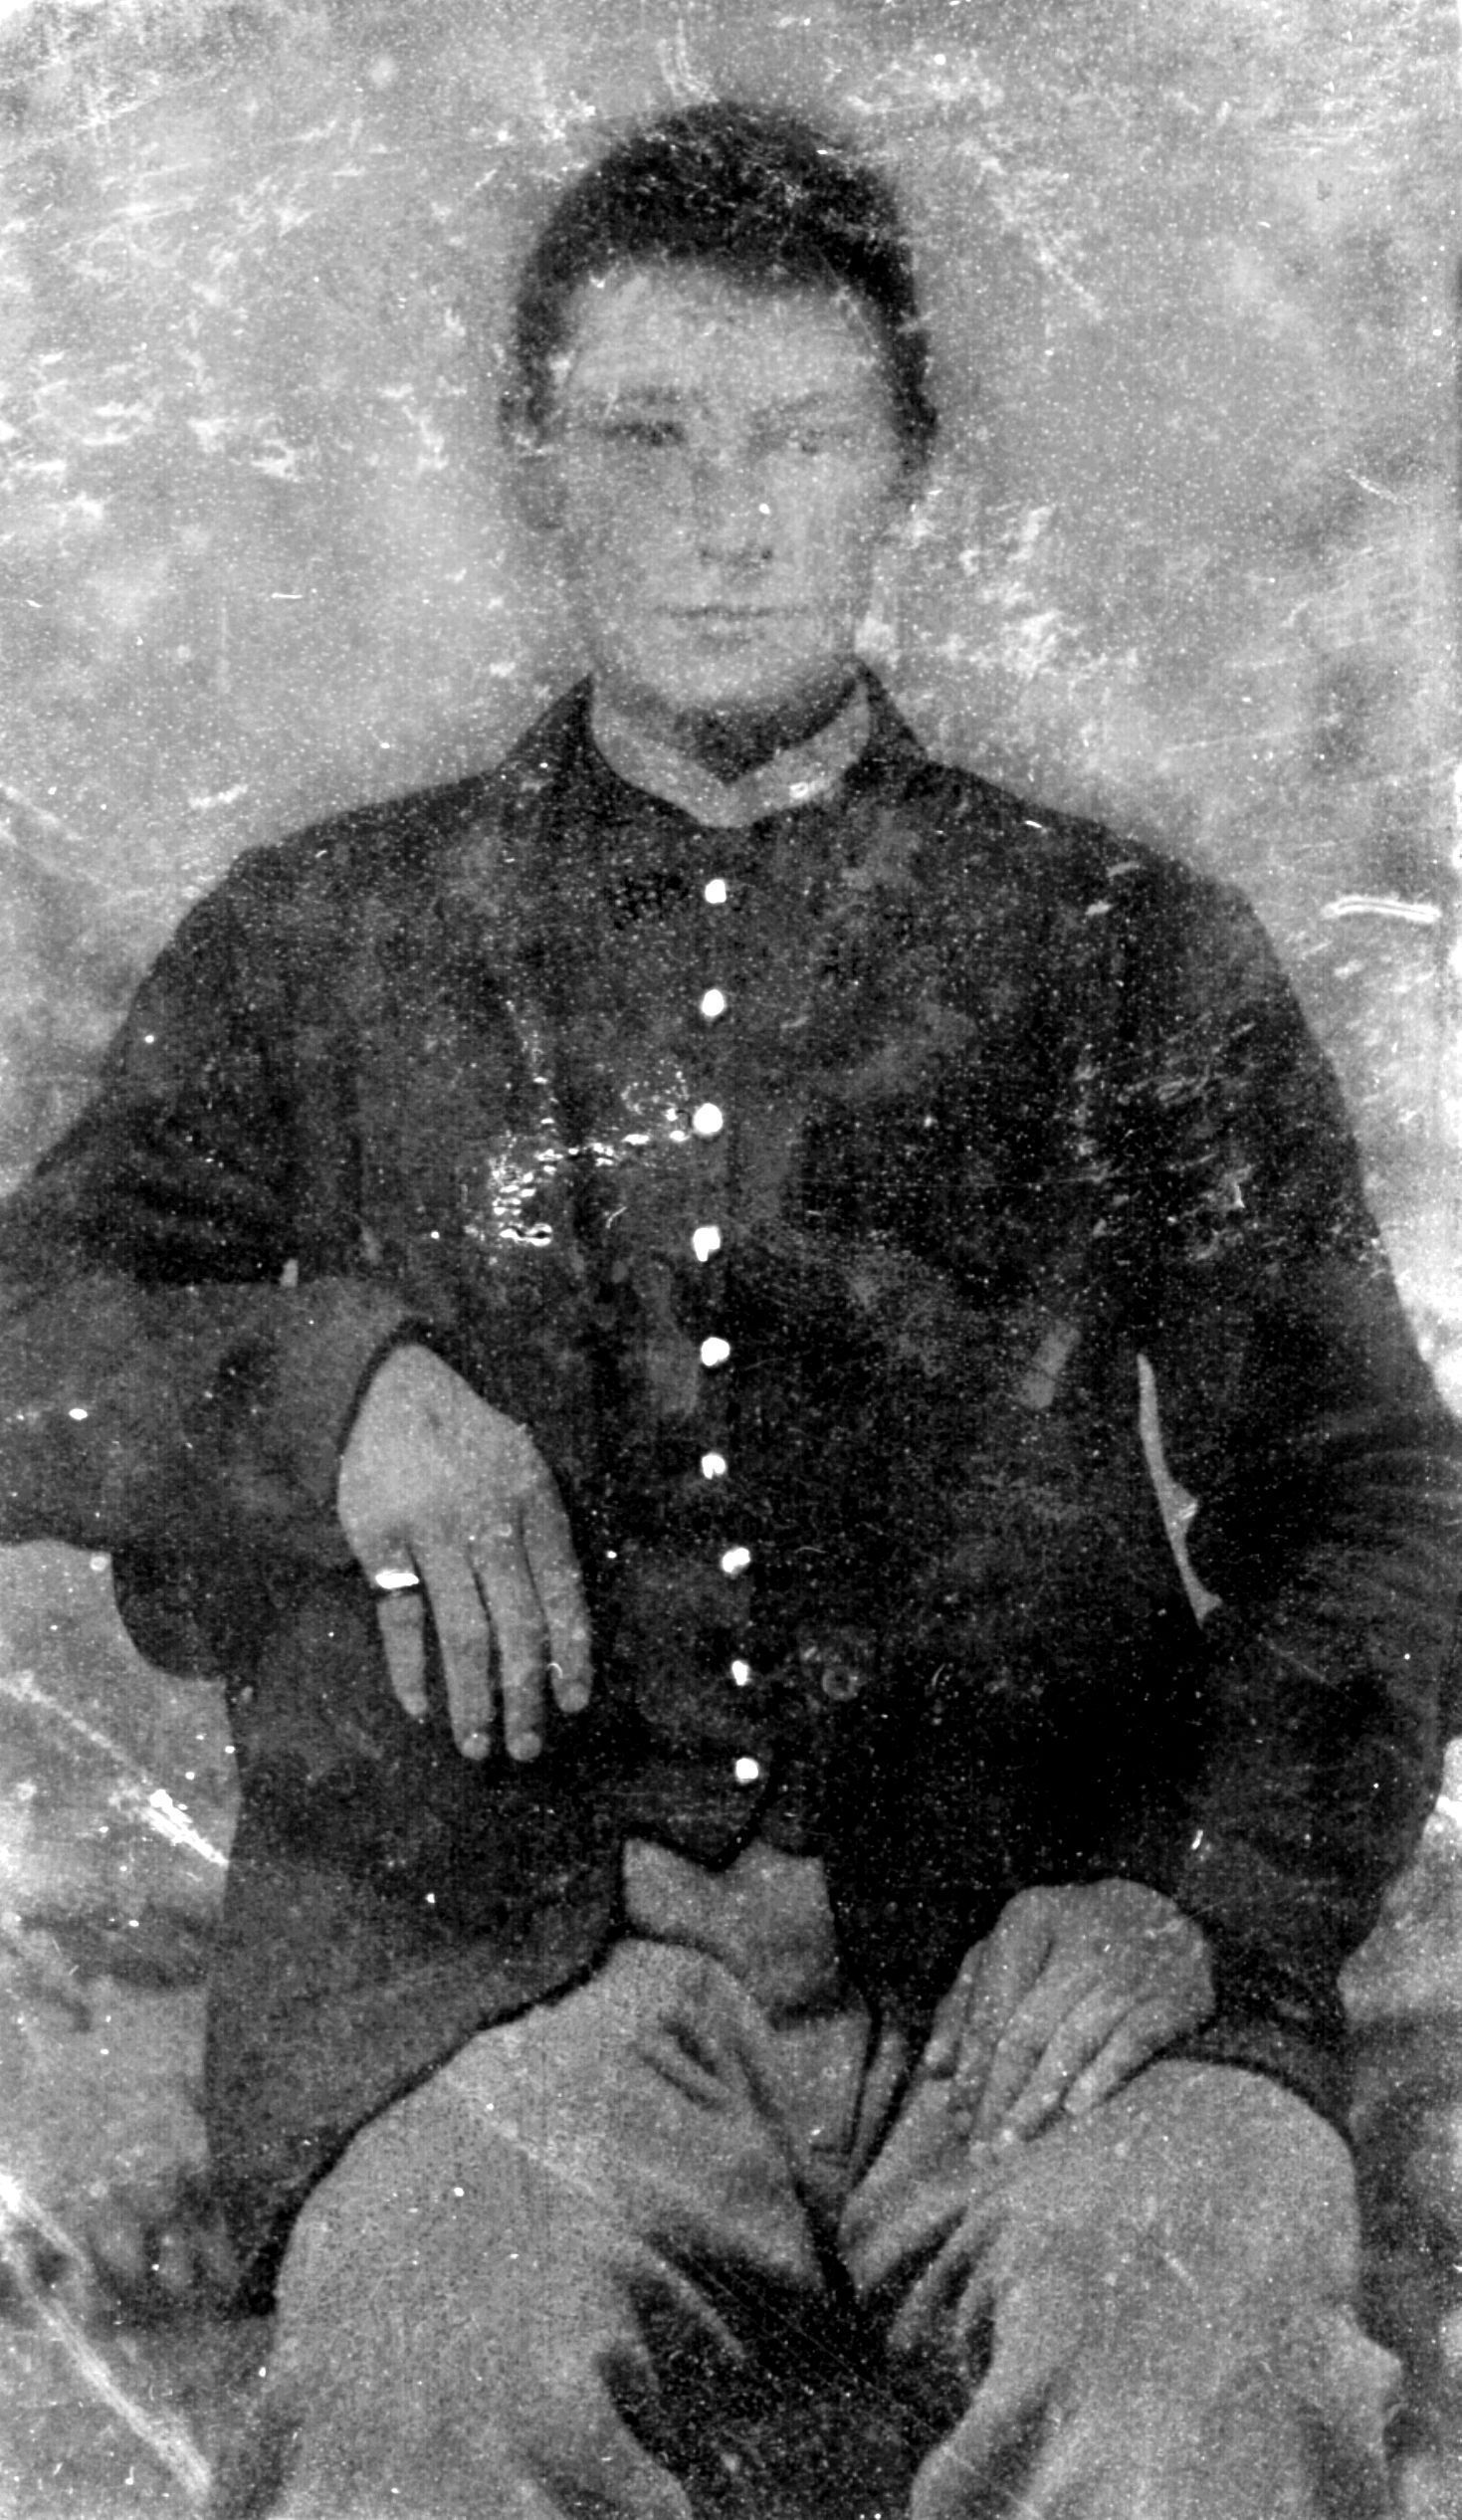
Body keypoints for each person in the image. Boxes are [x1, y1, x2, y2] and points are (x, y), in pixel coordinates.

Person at [0, 99, 1457, 2520]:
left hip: (1040, 1981)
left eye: (799, 438)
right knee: (433, 2395)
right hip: (496, 2002)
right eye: (646, 435)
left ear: (910, 475)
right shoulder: (324, 939)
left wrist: (1197, 1908)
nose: (725, 513)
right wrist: (335, 1397)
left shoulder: (1124, 950)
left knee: (1192, 2350)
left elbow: (1378, 1491)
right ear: (531, 460)